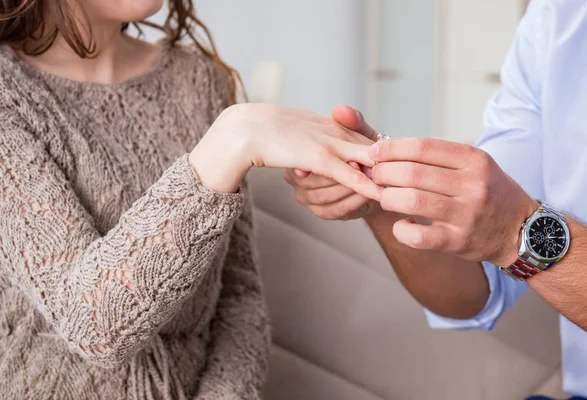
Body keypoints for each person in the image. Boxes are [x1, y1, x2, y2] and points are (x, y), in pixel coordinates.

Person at [0, 1, 381, 399]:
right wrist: (230, 141)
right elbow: (91, 325)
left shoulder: (198, 81)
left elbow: (239, 299)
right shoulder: (8, 95)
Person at [286, 0, 587, 399]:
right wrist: (386, 200)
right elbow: (476, 286)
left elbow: (510, 233)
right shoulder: (561, 16)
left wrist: (517, 233)